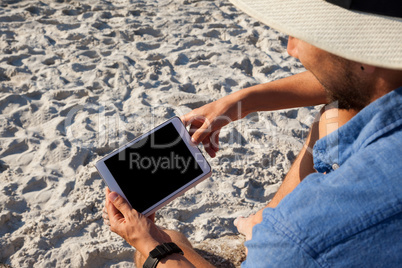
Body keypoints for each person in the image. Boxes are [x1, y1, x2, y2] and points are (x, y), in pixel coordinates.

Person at [103, 0, 402, 267]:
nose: (291, 47)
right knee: (335, 114)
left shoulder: (297, 239)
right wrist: (242, 102)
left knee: (169, 239)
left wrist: (148, 242)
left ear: (367, 57)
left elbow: (296, 242)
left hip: (290, 246)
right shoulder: (383, 74)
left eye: (307, 34)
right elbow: (350, 80)